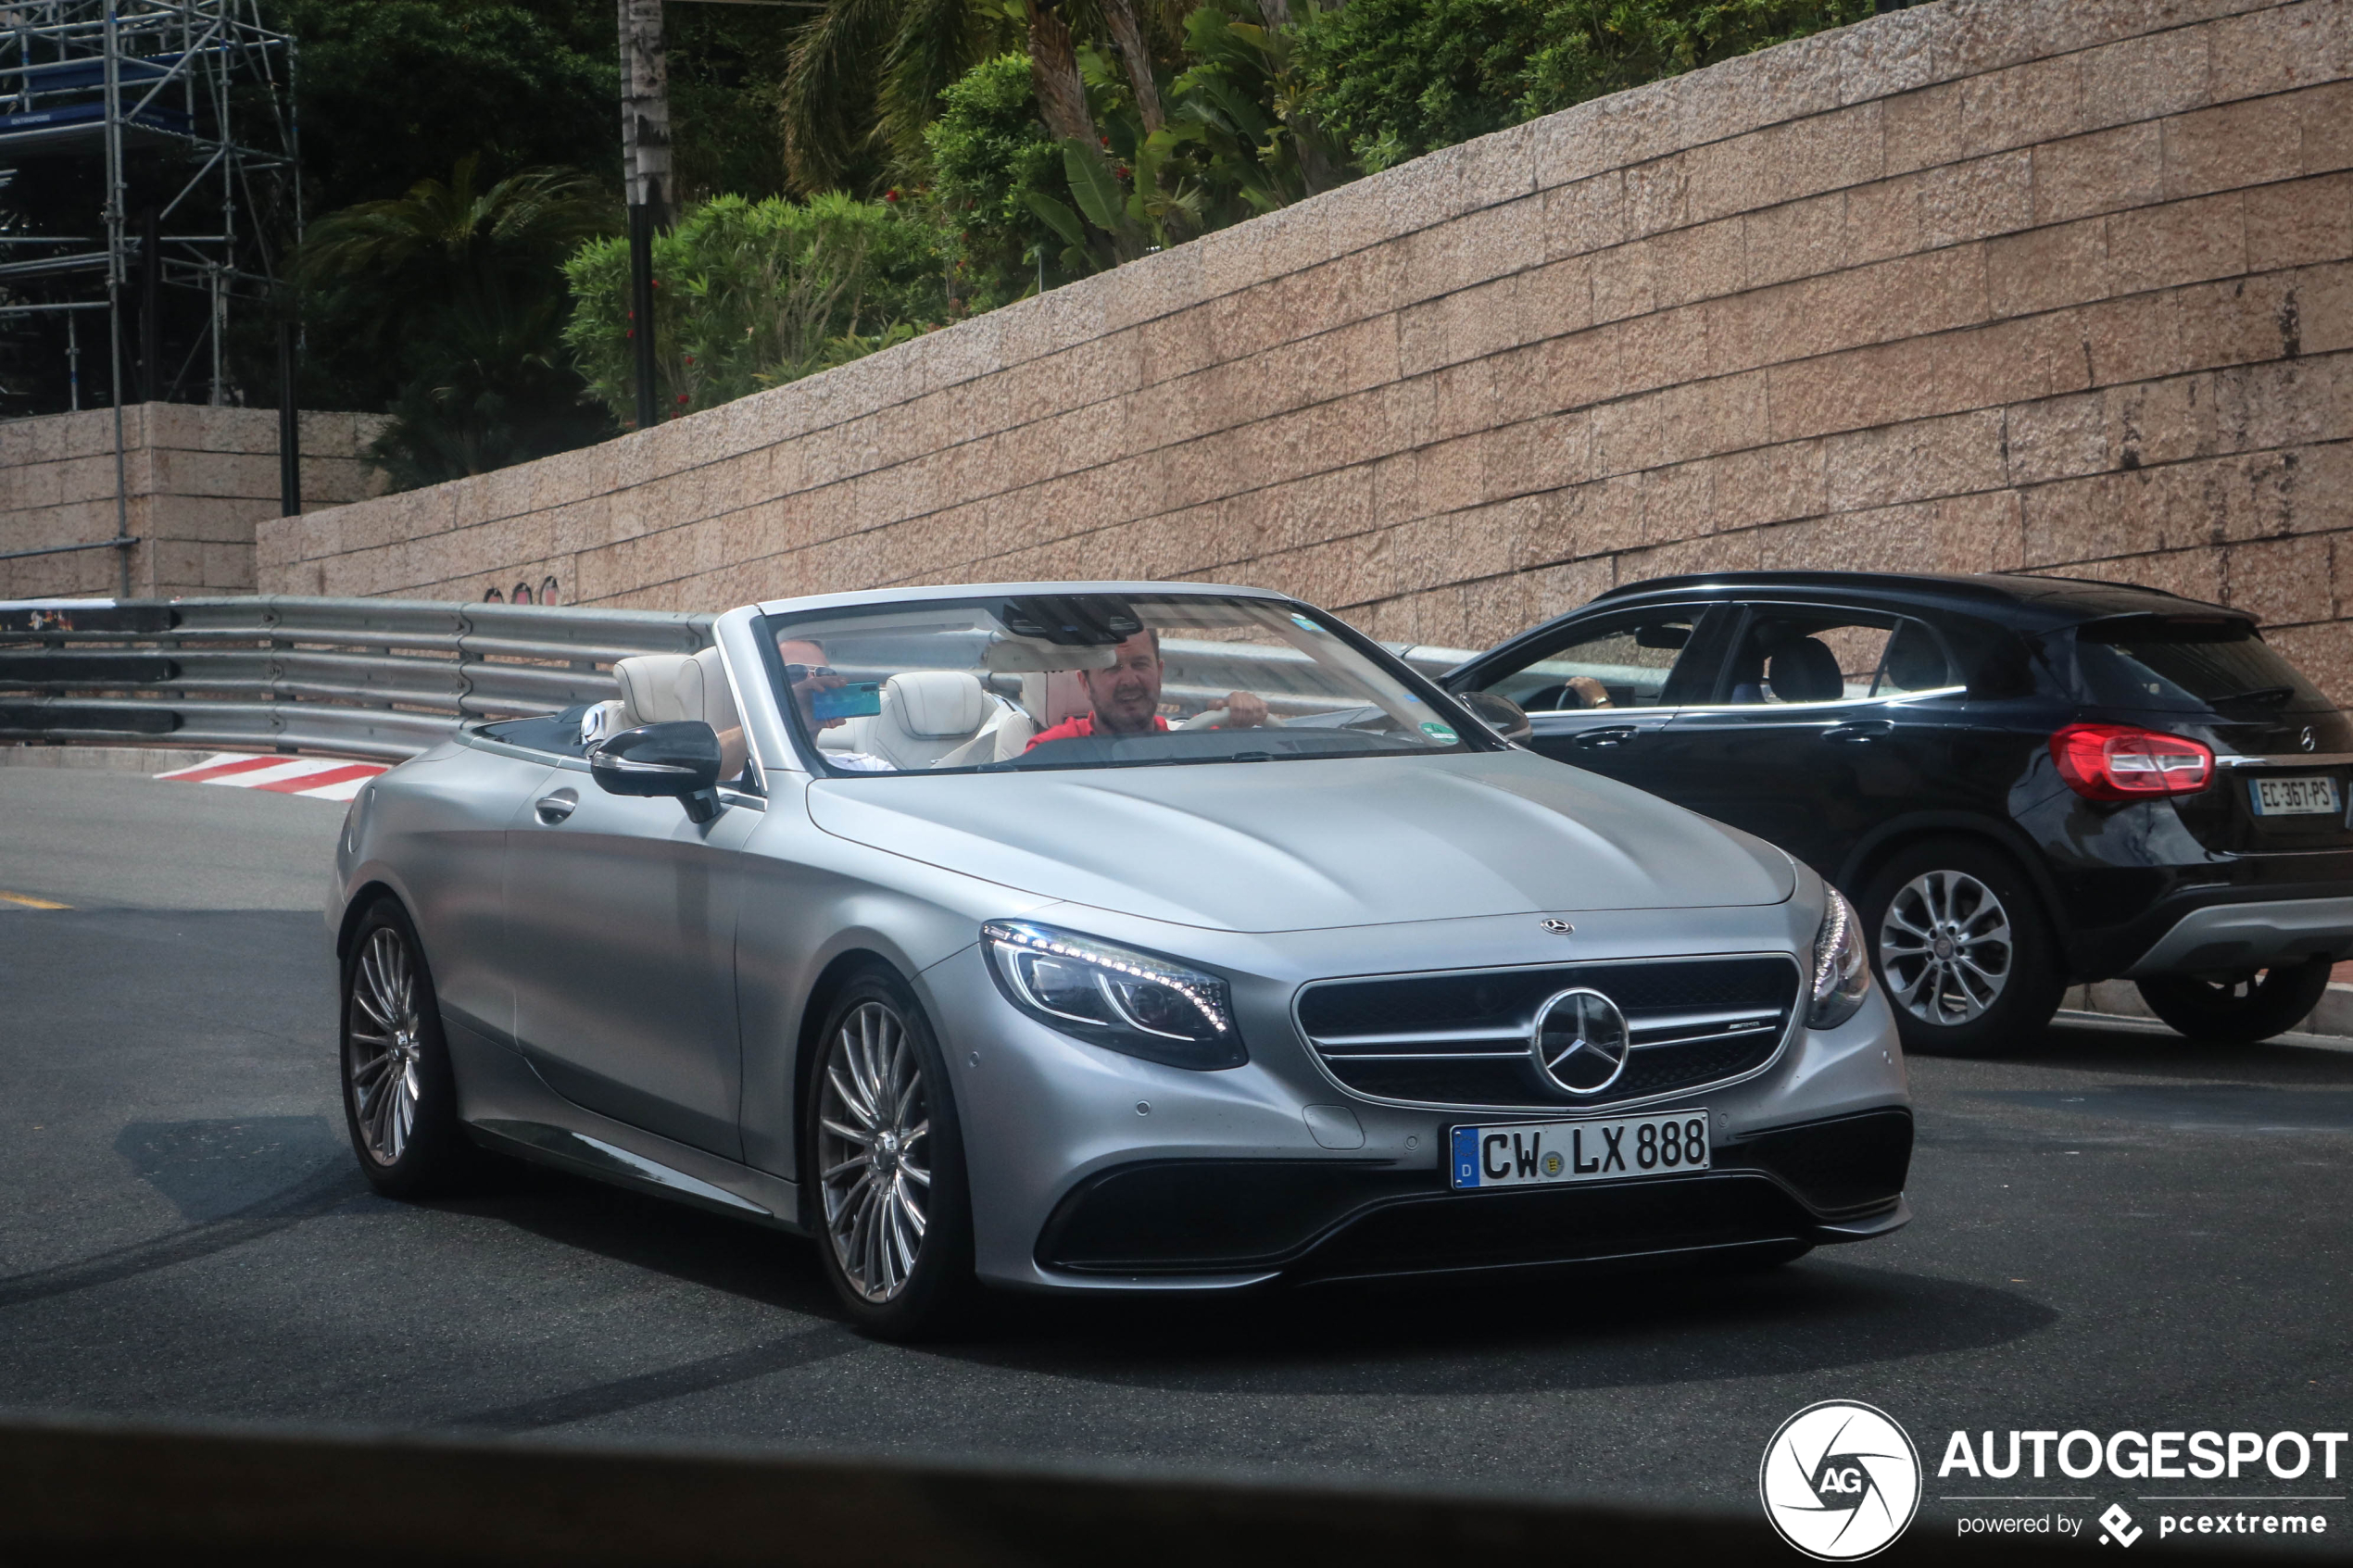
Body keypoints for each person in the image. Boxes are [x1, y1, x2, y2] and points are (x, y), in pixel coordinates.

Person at [1026, 629, 1267, 749]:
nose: (1129, 680)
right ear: (1085, 684)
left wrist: (1239, 718)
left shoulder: (1196, 740)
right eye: (1112, 667)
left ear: (1160, 673)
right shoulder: (1053, 751)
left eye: (1140, 664)